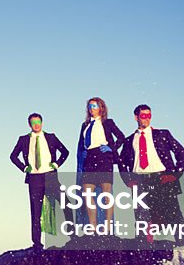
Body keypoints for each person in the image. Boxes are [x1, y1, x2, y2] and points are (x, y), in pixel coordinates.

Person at [118, 104, 184, 257]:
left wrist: (174, 175)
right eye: (143, 116)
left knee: (174, 216)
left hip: (162, 179)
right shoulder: (129, 141)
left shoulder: (163, 134)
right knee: (141, 217)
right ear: (136, 117)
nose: (146, 118)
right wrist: (128, 181)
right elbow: (122, 162)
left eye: (148, 116)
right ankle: (144, 252)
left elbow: (182, 153)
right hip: (139, 181)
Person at [10, 113, 69, 250]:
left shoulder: (51, 137)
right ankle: (37, 243)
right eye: (33, 122)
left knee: (65, 203)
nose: (36, 124)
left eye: (38, 122)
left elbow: (65, 152)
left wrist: (56, 164)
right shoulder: (23, 139)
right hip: (34, 178)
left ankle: (74, 235)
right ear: (29, 124)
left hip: (50, 176)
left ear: (42, 123)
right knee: (36, 211)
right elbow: (13, 156)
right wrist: (24, 167)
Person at [76, 97, 126, 225]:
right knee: (87, 195)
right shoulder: (85, 125)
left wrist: (111, 148)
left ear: (101, 108)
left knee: (106, 195)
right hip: (89, 159)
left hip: (103, 158)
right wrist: (83, 152)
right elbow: (81, 143)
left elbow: (121, 137)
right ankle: (93, 226)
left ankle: (107, 226)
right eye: (90, 106)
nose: (92, 109)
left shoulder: (108, 122)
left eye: (95, 106)